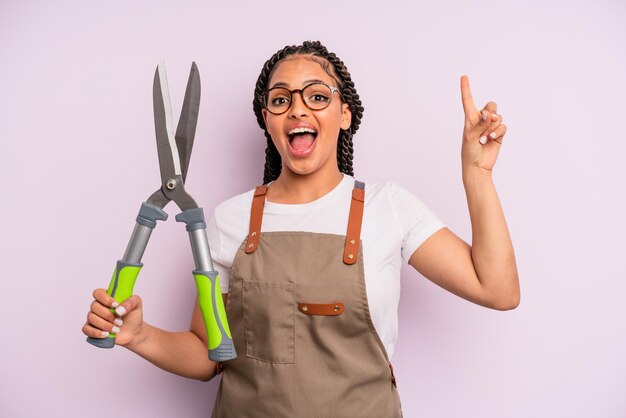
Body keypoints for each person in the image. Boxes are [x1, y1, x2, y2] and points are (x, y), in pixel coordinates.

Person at [82, 40, 520, 417]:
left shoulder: (389, 207)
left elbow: (497, 290)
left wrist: (477, 175)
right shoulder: (229, 220)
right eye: (280, 99)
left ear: (344, 115)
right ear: (267, 120)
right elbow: (208, 354)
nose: (296, 109)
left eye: (316, 96)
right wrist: (139, 335)